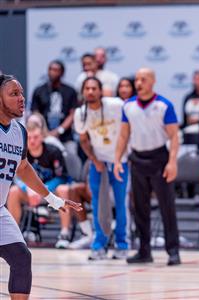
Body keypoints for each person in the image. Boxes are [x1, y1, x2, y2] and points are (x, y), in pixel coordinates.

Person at [0, 74, 81, 299]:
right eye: (14, 94)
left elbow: (23, 168)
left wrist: (53, 199)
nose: (21, 98)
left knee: (21, 258)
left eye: (21, 93)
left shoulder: (19, 132)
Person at [114, 68, 181, 266]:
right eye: (136, 79)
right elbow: (124, 135)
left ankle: (173, 251)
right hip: (137, 160)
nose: (139, 82)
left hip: (160, 159)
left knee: (166, 207)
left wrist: (172, 161)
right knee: (139, 209)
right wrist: (118, 160)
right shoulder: (128, 106)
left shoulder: (164, 105)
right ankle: (144, 251)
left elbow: (174, 136)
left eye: (143, 79)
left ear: (152, 81)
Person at [74, 77, 129, 260]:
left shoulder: (116, 105)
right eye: (87, 88)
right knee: (98, 203)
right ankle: (99, 245)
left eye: (94, 88)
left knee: (121, 203)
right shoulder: (80, 113)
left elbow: (128, 128)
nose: (90, 91)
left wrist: (120, 157)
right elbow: (83, 140)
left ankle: (122, 244)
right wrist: (94, 159)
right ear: (83, 92)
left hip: (120, 160)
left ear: (100, 91)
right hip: (98, 162)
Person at [7, 122, 73, 249]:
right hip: (30, 194)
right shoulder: (21, 152)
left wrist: (44, 189)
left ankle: (64, 234)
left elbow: (62, 177)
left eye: (36, 137)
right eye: (29, 138)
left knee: (64, 189)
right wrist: (29, 189)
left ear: (42, 136)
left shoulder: (54, 151)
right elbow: (16, 175)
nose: (32, 141)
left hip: (51, 191)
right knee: (14, 191)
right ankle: (12, 236)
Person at [31, 60, 78, 155]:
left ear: (62, 72)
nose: (53, 72)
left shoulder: (70, 91)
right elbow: (35, 114)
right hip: (43, 135)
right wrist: (44, 132)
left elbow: (72, 114)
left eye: (56, 70)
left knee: (71, 155)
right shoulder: (39, 90)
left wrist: (59, 131)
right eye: (51, 69)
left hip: (65, 136)